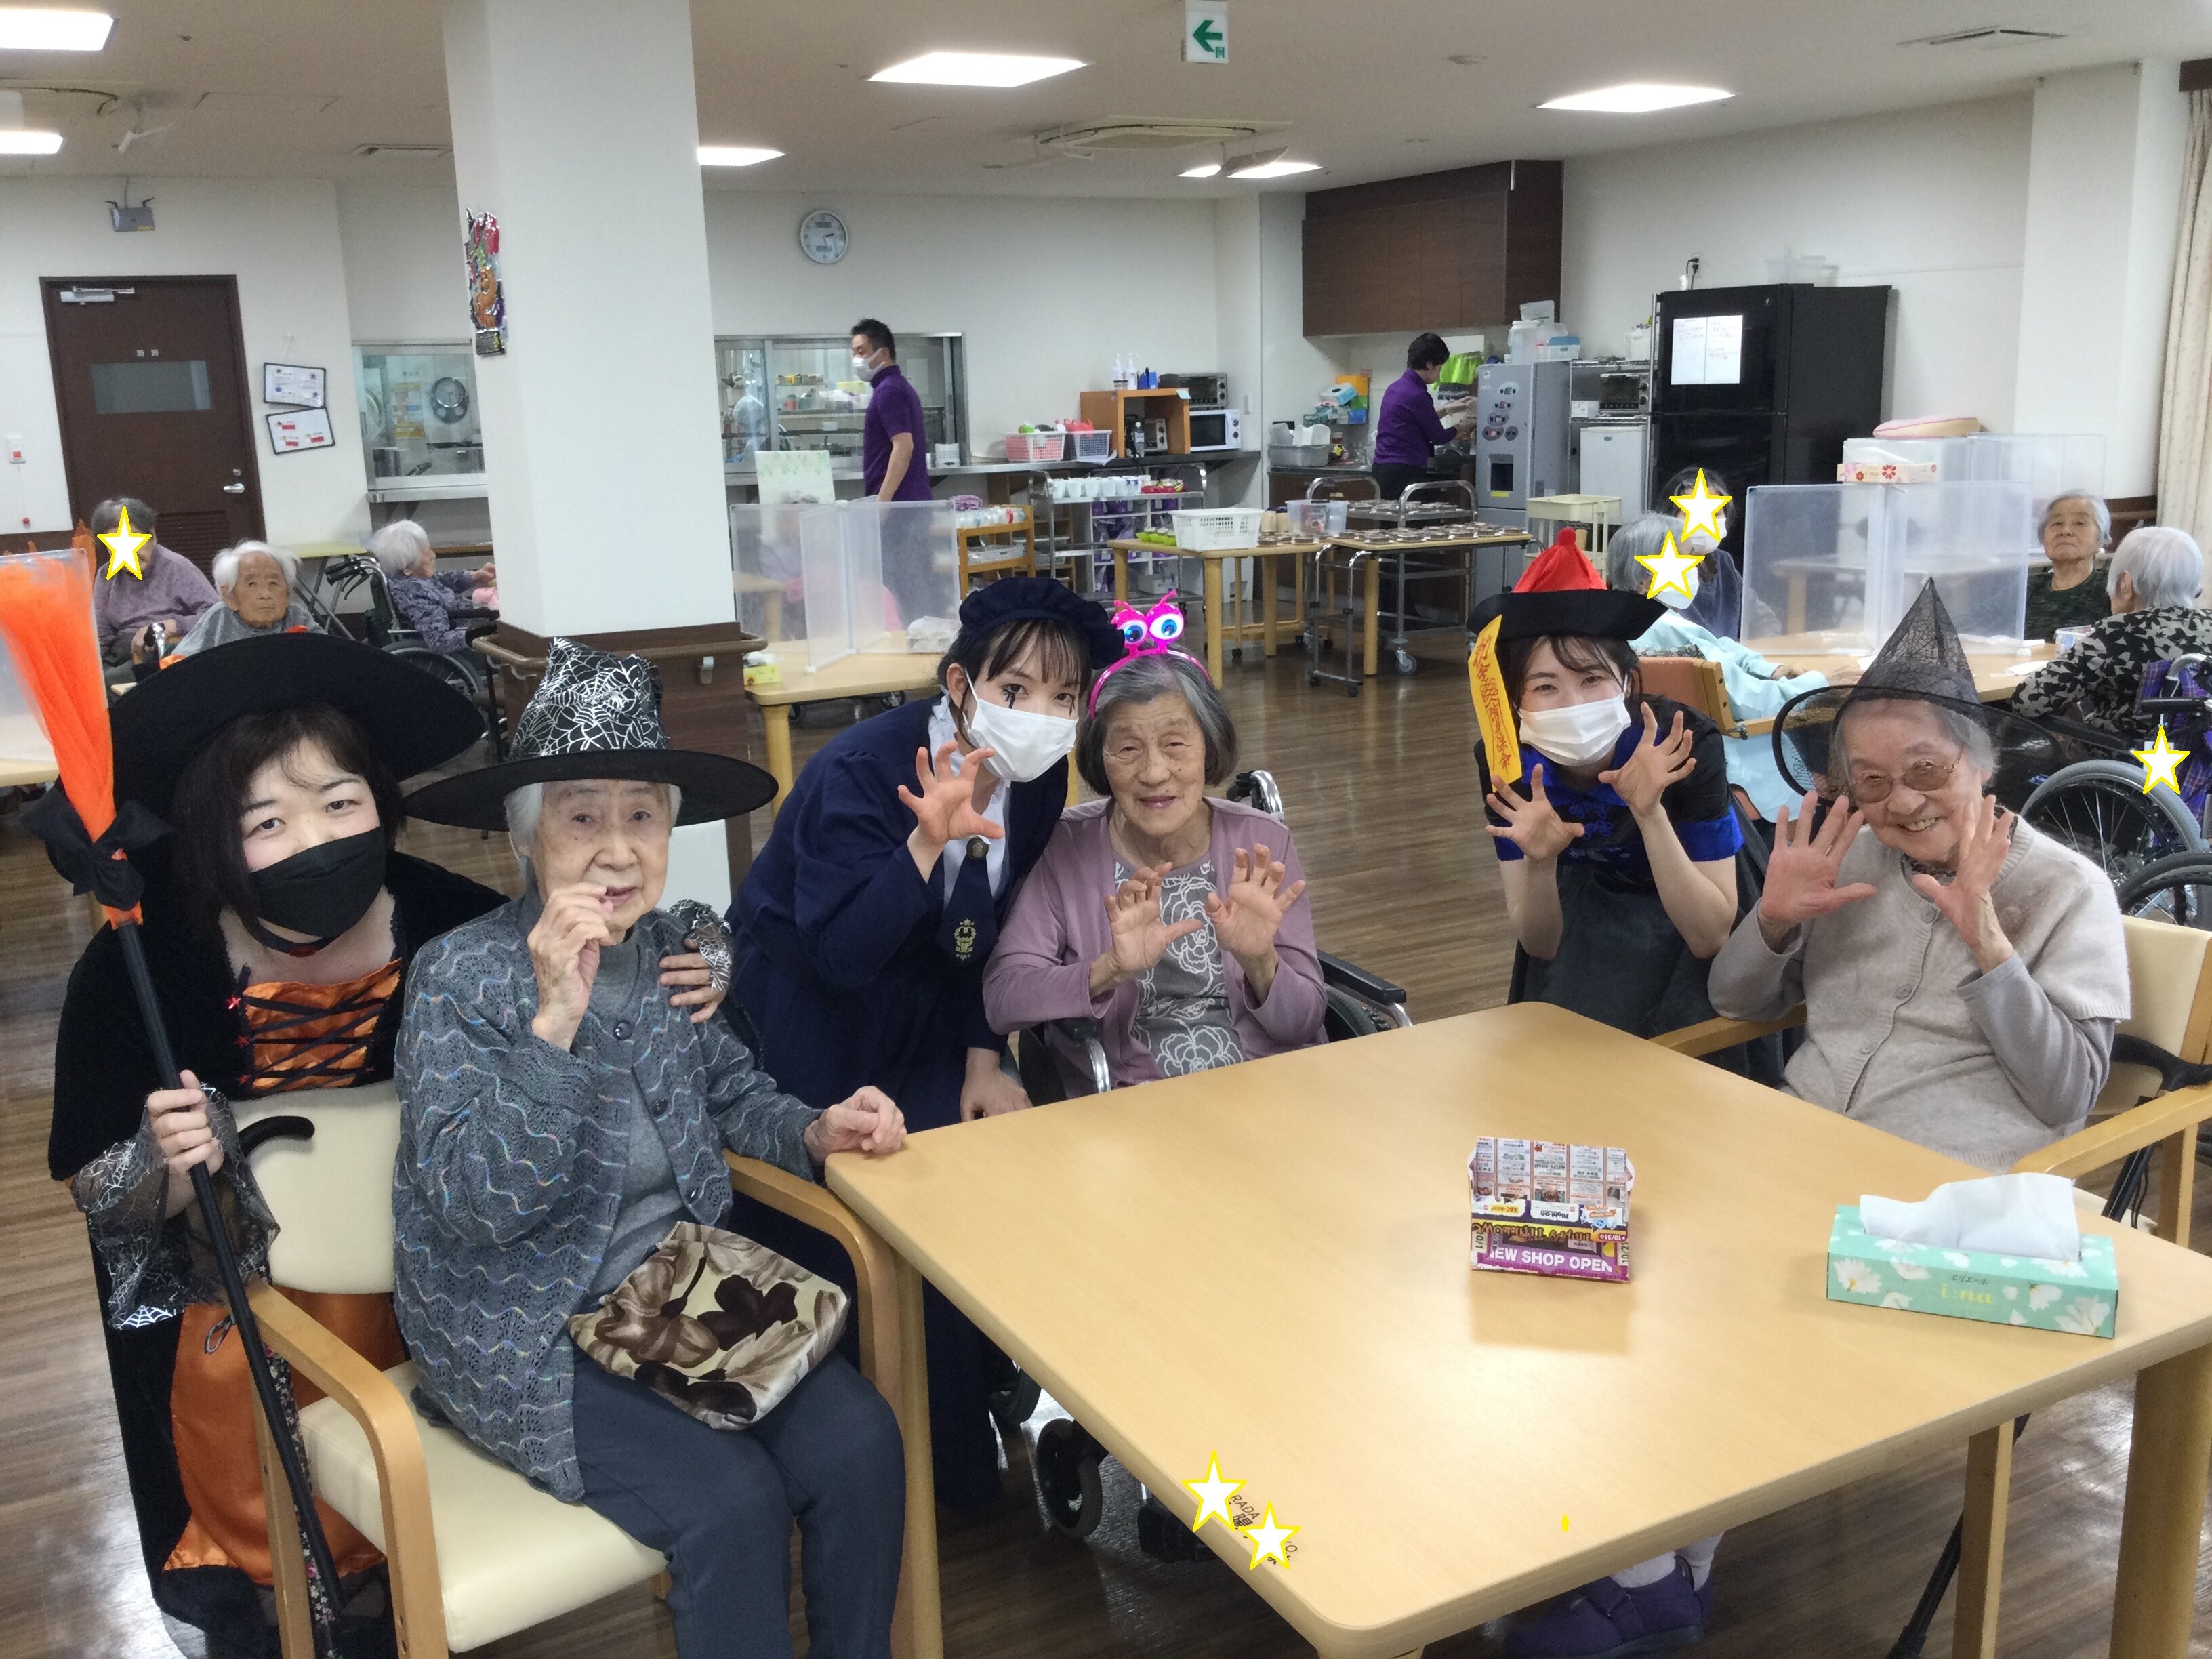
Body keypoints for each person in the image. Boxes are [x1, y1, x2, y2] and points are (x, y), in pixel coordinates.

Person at [398, 638, 906, 1659]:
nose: (618, 849)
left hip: (677, 1293)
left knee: (862, 1443)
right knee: (731, 1503)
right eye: (582, 817)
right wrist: (553, 1024)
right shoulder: (459, 978)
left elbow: (734, 1095)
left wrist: (813, 1128)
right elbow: (474, 1205)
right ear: (529, 838)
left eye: (642, 816)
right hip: (524, 1324)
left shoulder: (674, 950)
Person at [46, 638, 537, 1648]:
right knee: (263, 1512)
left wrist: (693, 975)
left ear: (382, 804)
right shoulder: (141, 967)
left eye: (340, 802)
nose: (313, 839)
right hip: (237, 1321)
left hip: (432, 1292)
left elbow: (570, 1054)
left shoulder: (461, 925)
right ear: (212, 842)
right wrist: (162, 1163)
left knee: (434, 1508)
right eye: (266, 821)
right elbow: (100, 1188)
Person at [727, 575, 1123, 1508]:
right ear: (959, 684)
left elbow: (998, 919)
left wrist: (985, 1056)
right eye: (1015, 690)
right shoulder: (861, 771)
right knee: (856, 1217)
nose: (1040, 717)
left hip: (935, 1002)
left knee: (967, 1193)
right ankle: (868, 1470)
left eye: (1064, 698)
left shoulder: (1035, 777)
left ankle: (966, 1438)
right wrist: (921, 847)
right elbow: (841, 953)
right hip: (815, 1008)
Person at [983, 608, 1323, 1090]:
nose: (1154, 773)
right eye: (1127, 749)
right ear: (1100, 759)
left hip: (1265, 1090)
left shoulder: (1262, 843)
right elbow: (1003, 998)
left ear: (1209, 747)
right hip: (1133, 1104)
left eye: (1175, 744)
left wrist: (1259, 962)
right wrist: (1109, 970)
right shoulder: (1065, 848)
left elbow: (1302, 1026)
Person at [1471, 533, 1747, 1046]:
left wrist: (1650, 814)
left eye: (1592, 679)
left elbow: (1710, 935)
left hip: (1699, 885)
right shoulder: (1508, 763)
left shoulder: (1684, 740)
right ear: (1515, 699)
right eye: (1546, 687)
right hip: (1588, 901)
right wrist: (1540, 863)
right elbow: (1540, 944)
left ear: (1625, 682)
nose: (1573, 704)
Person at [1606, 511, 1854, 822]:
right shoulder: (1672, 632)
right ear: (1645, 580)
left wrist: (1770, 669)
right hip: (1733, 762)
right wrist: (1824, 682)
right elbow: (1760, 702)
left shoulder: (1621, 624)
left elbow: (1722, 647)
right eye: (1684, 559)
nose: (1695, 568)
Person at [2011, 525, 2212, 741]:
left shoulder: (2119, 632)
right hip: (2198, 756)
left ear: (2125, 584)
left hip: (2119, 756)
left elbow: (2028, 701)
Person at [853, 317, 938, 627]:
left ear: (884, 353)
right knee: (906, 587)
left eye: (862, 352)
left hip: (902, 510)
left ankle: (920, 646)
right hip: (907, 507)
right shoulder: (894, 388)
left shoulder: (889, 391)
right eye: (854, 353)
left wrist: (883, 502)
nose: (857, 360)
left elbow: (903, 446)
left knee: (907, 588)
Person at [87, 495, 220, 665]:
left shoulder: (176, 567)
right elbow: (101, 635)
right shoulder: (106, 575)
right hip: (124, 653)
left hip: (171, 654)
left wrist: (170, 626)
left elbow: (216, 614)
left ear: (152, 536)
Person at [1370, 332, 1476, 501]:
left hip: (1383, 469)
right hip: (1404, 470)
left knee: (1390, 517)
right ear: (1429, 364)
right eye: (1440, 367)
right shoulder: (1417, 394)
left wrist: (1449, 408)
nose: (1440, 372)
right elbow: (1439, 437)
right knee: (1408, 517)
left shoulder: (1396, 388)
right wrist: (1466, 423)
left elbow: (1417, 419)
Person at [171, 541, 323, 657]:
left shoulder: (298, 617)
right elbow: (179, 664)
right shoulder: (218, 618)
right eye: (252, 584)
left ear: (288, 593)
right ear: (229, 596)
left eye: (274, 583)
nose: (266, 594)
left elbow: (327, 655)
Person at [368, 518, 496, 651]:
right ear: (407, 567)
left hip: (472, 616)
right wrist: (480, 633)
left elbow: (440, 580)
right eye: (426, 553)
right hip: (470, 630)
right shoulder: (414, 595)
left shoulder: (410, 580)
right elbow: (440, 641)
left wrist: (475, 576)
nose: (433, 555)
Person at [2024, 489, 2112, 640]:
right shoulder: (2027, 588)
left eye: (2079, 523)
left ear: (2100, 540)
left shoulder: (2111, 589)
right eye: (2057, 523)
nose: (2065, 531)